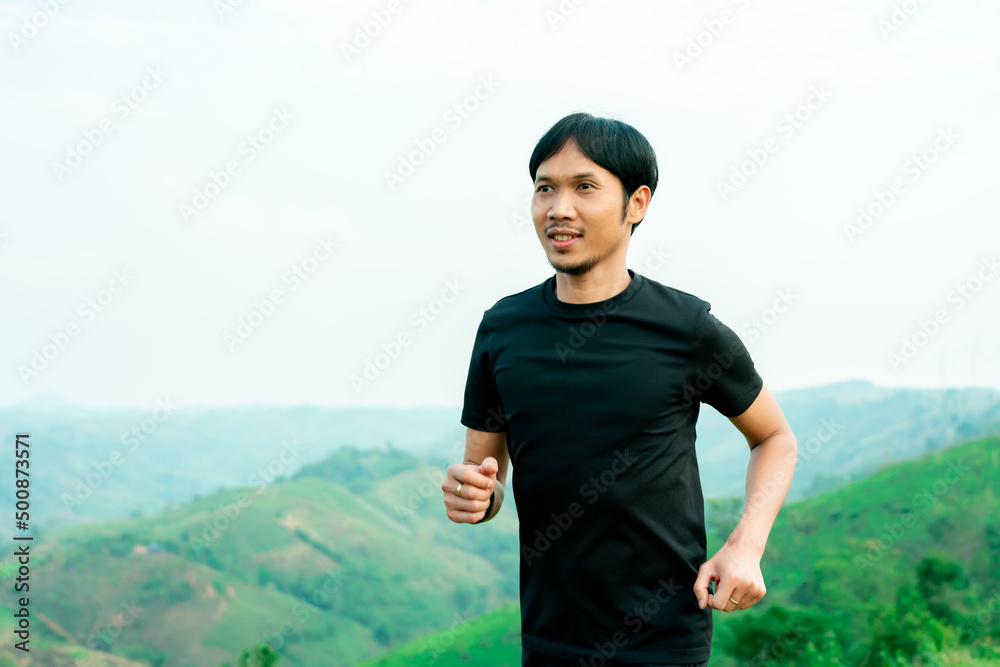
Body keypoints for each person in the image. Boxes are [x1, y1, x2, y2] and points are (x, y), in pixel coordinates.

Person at [442, 112, 798, 666]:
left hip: (664, 642)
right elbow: (484, 483)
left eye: (585, 187)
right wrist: (473, 498)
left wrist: (746, 545)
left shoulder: (687, 329)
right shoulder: (502, 328)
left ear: (637, 204)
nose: (559, 207)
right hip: (549, 640)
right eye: (545, 189)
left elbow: (775, 437)